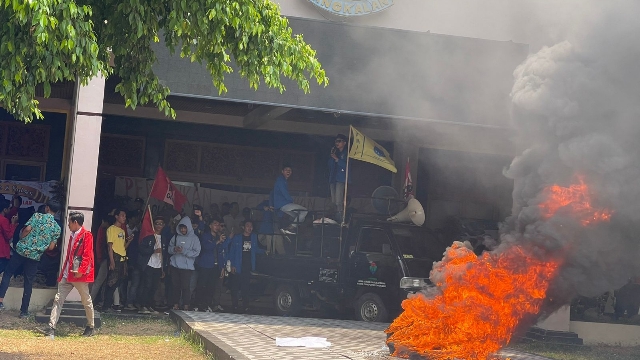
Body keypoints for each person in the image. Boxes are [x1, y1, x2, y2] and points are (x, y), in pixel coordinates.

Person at [0, 201, 61, 316]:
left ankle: (0, 301)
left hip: (22, 251)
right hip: (35, 256)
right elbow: (51, 247)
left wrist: (22, 239)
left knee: (8, 273)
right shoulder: (57, 228)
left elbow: (27, 229)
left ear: (47, 208)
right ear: (57, 212)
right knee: (28, 282)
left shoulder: (37, 216)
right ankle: (24, 311)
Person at [42, 212, 95, 337]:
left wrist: (80, 271)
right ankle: (51, 327)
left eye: (70, 222)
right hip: (69, 274)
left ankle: (91, 326)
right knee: (58, 299)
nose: (68, 225)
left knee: (85, 300)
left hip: (77, 275)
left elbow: (87, 255)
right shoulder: (73, 235)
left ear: (75, 222)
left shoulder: (87, 235)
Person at [224, 220, 265, 313]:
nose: (249, 228)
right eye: (247, 226)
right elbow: (232, 252)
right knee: (235, 287)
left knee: (245, 287)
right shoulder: (237, 238)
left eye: (251, 226)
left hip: (247, 266)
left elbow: (255, 249)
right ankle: (235, 306)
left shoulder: (253, 237)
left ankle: (246, 306)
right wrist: (232, 265)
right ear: (243, 227)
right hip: (237, 266)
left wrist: (265, 251)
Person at [101, 209, 134, 313]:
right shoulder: (111, 229)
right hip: (115, 256)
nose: (124, 218)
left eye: (125, 216)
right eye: (122, 215)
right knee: (111, 282)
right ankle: (106, 306)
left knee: (119, 280)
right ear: (116, 216)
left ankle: (109, 305)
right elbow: (109, 247)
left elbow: (123, 247)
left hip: (122, 257)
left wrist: (128, 241)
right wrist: (111, 261)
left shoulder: (122, 231)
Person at [168, 217, 201, 311]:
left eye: (185, 228)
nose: (183, 230)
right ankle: (175, 304)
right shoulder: (175, 237)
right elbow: (169, 248)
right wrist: (174, 249)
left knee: (186, 287)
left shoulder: (194, 238)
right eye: (181, 228)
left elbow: (196, 252)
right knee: (175, 286)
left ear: (189, 227)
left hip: (187, 267)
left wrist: (184, 251)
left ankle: (186, 305)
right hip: (175, 265)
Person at [195, 218, 226, 312]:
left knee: (211, 287)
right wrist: (217, 242)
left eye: (218, 224)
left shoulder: (220, 237)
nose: (217, 226)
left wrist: (222, 267)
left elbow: (222, 253)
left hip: (215, 266)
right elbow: (206, 248)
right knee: (201, 285)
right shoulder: (205, 236)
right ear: (210, 226)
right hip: (205, 265)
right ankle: (197, 304)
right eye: (215, 224)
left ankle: (206, 305)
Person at [137, 216, 166, 314]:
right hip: (149, 264)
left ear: (164, 226)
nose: (159, 225)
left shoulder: (164, 239)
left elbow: (165, 255)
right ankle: (143, 305)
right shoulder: (149, 237)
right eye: (157, 223)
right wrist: (153, 250)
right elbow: (141, 249)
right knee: (147, 285)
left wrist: (163, 269)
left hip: (158, 266)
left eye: (161, 224)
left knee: (154, 286)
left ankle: (149, 305)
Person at [272, 165, 308, 234]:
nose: (288, 171)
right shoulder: (281, 180)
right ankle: (291, 228)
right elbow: (284, 192)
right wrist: (291, 201)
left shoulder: (282, 180)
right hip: (283, 204)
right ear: (282, 171)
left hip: (281, 206)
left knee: (297, 217)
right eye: (286, 170)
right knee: (304, 211)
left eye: (290, 170)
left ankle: (288, 229)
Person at [90, 212, 114, 306]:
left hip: (104, 258)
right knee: (101, 280)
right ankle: (92, 300)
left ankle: (92, 300)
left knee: (99, 280)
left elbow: (100, 246)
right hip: (104, 259)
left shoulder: (104, 231)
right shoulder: (105, 231)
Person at [328, 133, 349, 221]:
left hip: (341, 179)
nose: (337, 143)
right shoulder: (335, 152)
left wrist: (337, 159)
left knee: (338, 201)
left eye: (339, 141)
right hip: (333, 179)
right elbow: (329, 165)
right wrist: (332, 157)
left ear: (344, 143)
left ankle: (340, 219)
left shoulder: (346, 153)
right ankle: (335, 218)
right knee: (333, 201)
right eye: (336, 141)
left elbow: (347, 165)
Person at [0, 199, 18, 275]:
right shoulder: (3, 220)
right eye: (9, 208)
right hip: (2, 250)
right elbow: (8, 236)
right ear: (5, 209)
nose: (10, 210)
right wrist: (13, 224)